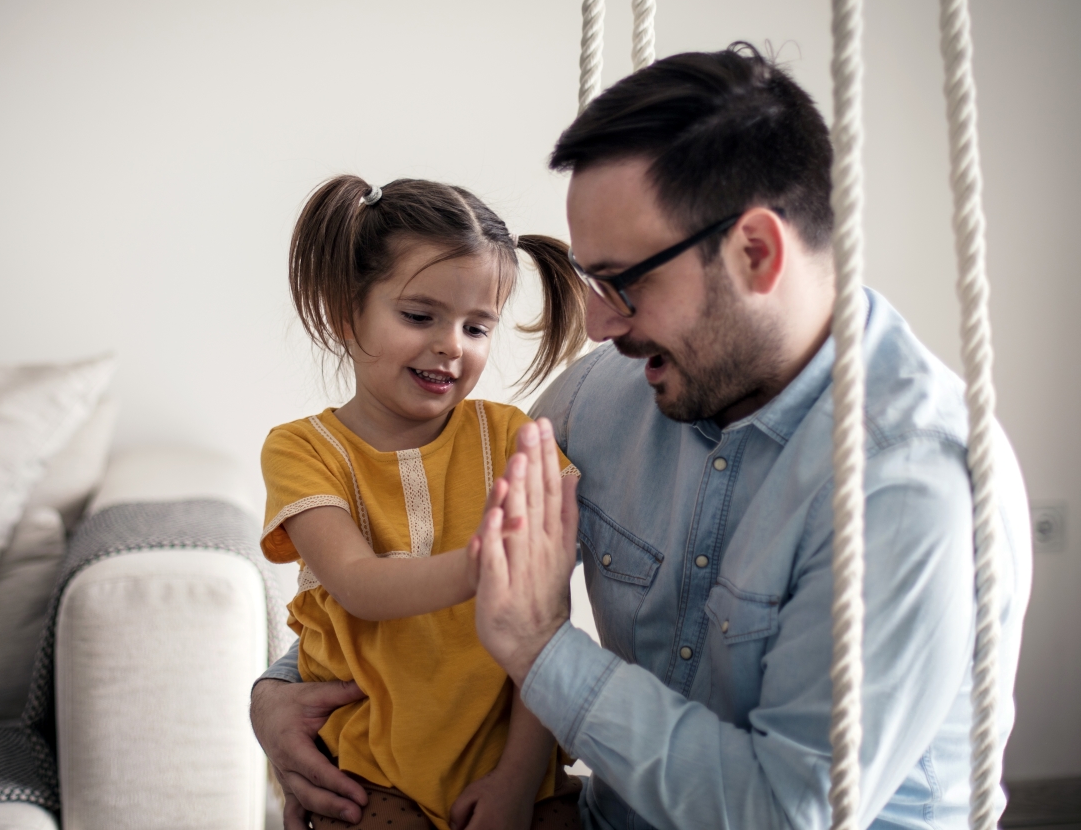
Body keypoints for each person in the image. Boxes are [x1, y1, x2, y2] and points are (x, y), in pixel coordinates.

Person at [252, 45, 1033, 830]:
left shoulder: (904, 483)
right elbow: (394, 583)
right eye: (591, 284)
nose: (595, 324)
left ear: (755, 253)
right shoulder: (608, 397)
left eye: (624, 282)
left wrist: (542, 650)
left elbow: (783, 814)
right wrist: (277, 694)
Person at [258, 175, 590, 830]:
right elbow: (358, 583)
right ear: (345, 309)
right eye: (420, 316)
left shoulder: (514, 441)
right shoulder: (304, 450)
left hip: (509, 764)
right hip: (368, 770)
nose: (452, 345)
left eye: (477, 326)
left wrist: (517, 781)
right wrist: (482, 566)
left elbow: (545, 628)